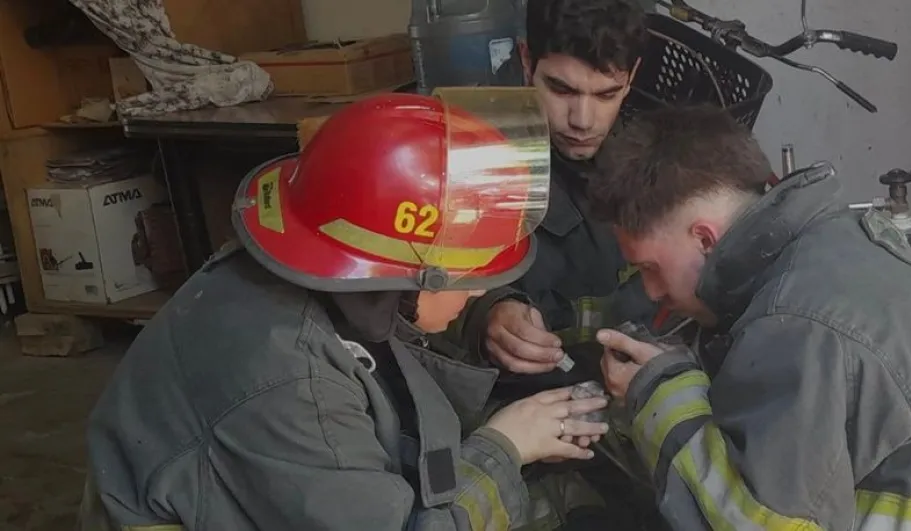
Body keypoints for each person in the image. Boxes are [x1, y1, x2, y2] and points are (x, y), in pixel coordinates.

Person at [76, 89, 612, 531]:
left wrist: (487, 316)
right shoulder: (290, 381)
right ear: (398, 276)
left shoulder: (321, 267)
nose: (477, 292)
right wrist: (506, 448)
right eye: (469, 280)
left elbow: (400, 318)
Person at [590, 104, 911, 529]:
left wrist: (658, 391)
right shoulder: (841, 243)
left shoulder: (793, 325)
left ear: (705, 239)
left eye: (650, 268)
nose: (651, 291)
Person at [443, 0, 663, 386]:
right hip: (521, 392)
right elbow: (424, 289)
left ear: (632, 76)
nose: (582, 121)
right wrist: (488, 313)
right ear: (527, 60)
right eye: (561, 89)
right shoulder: (472, 148)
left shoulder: (656, 147)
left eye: (607, 95)